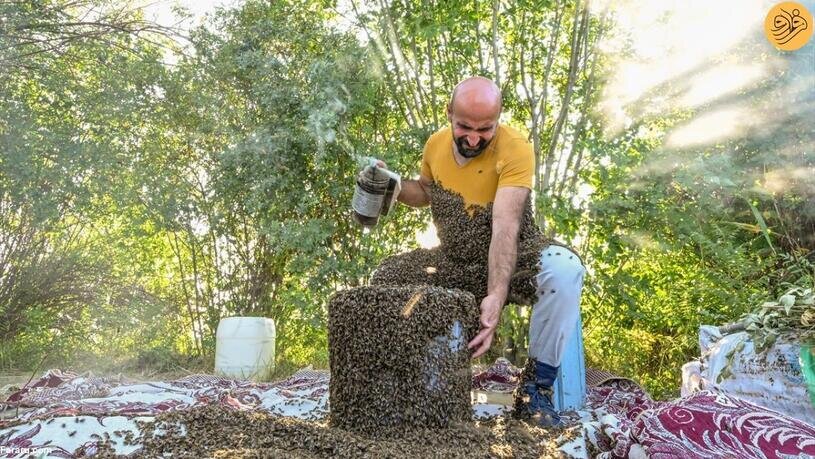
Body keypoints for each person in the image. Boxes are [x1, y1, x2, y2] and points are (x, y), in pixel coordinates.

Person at [371, 76, 585, 427]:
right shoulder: (435, 145)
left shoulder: (516, 148)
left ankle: (536, 391)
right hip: (452, 258)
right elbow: (425, 192)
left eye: (485, 129)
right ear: (449, 113)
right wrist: (394, 186)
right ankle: (404, 386)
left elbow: (505, 225)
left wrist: (496, 294)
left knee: (564, 269)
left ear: (498, 120)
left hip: (518, 254)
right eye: (464, 126)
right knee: (386, 277)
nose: (473, 138)